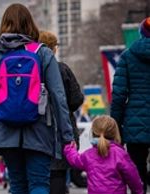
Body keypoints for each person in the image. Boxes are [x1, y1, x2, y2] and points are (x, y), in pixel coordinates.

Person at [0, 4, 74, 194]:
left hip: (6, 132)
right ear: (30, 24)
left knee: (17, 185)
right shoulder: (43, 53)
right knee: (39, 184)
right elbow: (58, 97)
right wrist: (67, 136)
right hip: (39, 130)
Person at [39, 31, 84, 194]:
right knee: (58, 171)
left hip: (37, 130)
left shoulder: (32, 70)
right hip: (62, 129)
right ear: (53, 48)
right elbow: (76, 98)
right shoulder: (62, 69)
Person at [111, 17, 150, 193]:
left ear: (141, 33)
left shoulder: (127, 56)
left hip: (135, 126)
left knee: (137, 172)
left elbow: (119, 95)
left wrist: (115, 124)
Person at [64, 115, 143, 194]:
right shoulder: (120, 154)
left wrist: (69, 148)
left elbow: (75, 160)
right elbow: (133, 177)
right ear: (115, 133)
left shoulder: (88, 155)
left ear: (93, 133)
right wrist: (138, 191)